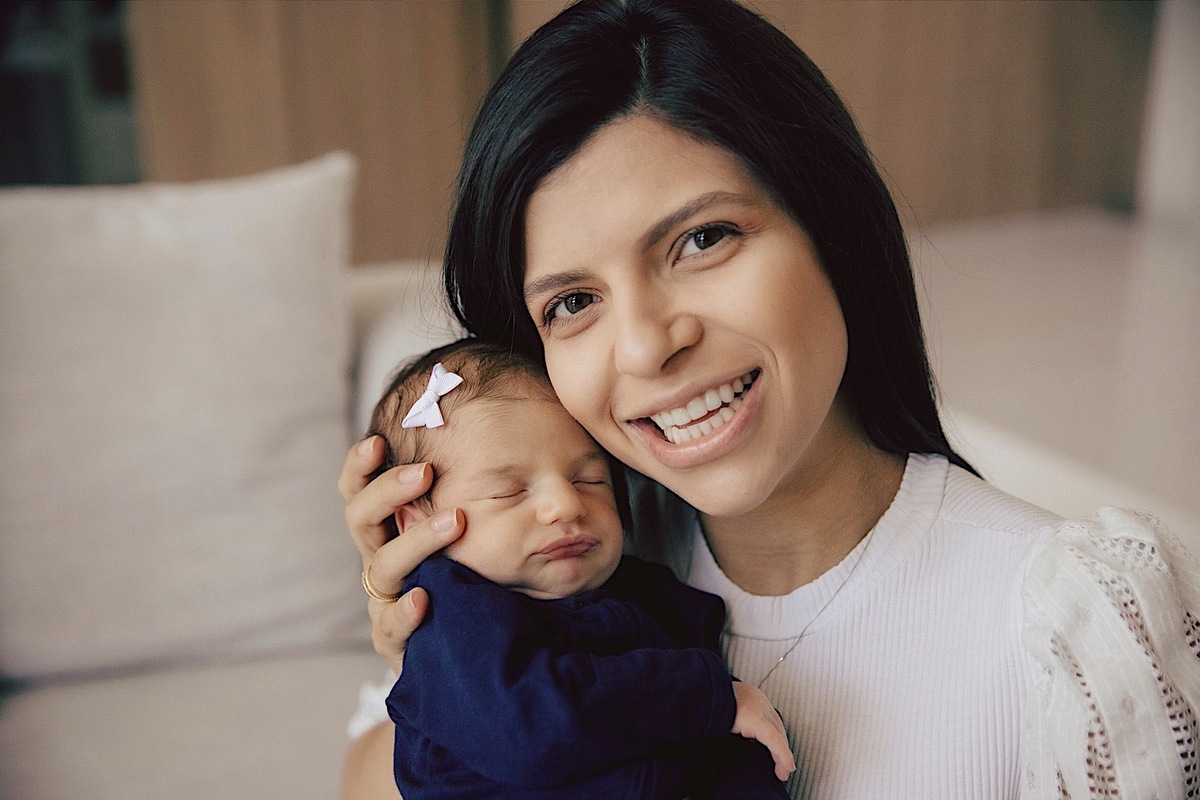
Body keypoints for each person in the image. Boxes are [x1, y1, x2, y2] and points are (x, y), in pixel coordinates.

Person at [339, 1, 1200, 798]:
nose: (646, 345)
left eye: (702, 239)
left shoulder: (1066, 620)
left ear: (832, 227)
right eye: (572, 303)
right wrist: (423, 646)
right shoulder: (568, 562)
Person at [364, 337, 794, 798]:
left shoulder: (648, 593)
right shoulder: (450, 619)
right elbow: (530, 726)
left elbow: (725, 744)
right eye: (510, 492)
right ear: (416, 524)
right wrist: (711, 697)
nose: (566, 505)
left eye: (589, 480)